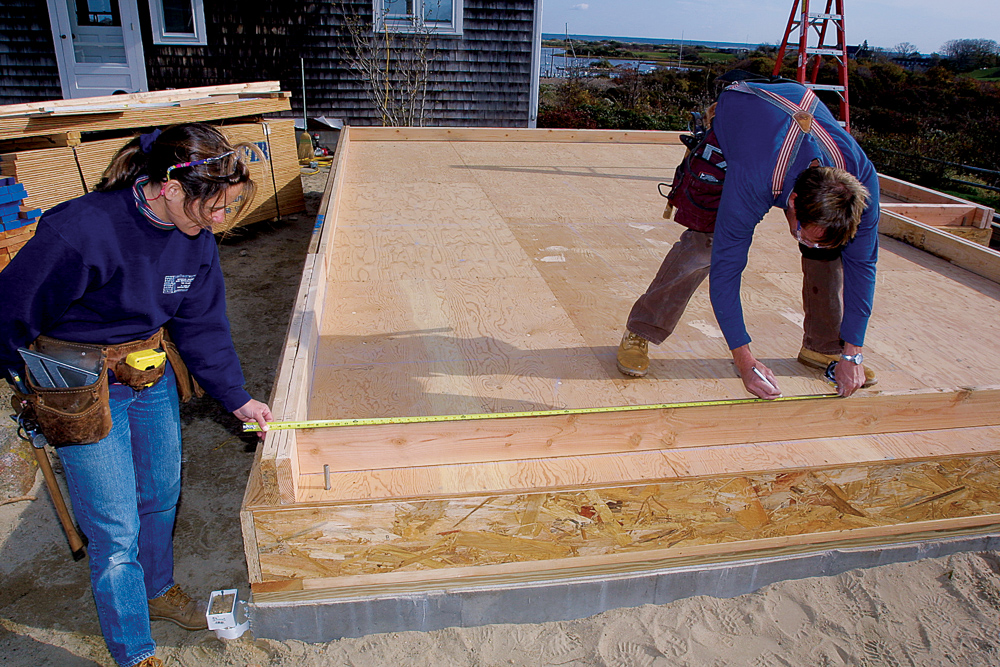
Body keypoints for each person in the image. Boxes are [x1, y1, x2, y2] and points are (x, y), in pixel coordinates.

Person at [0, 123, 273, 667]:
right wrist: (29, 387)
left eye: (231, 207)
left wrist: (237, 397)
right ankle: (133, 650)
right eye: (212, 208)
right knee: (114, 525)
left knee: (161, 492)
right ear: (171, 188)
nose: (220, 221)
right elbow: (9, 313)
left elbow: (203, 326)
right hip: (77, 385)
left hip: (147, 375)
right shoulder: (81, 233)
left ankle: (157, 591)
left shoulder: (194, 243)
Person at [616, 79, 880, 399]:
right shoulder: (755, 178)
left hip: (789, 120)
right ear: (792, 201)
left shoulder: (861, 185)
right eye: (803, 236)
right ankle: (641, 331)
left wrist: (853, 353)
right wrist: (745, 361)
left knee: (829, 250)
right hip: (742, 118)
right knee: (706, 246)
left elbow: (863, 267)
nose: (807, 243)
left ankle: (824, 347)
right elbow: (727, 273)